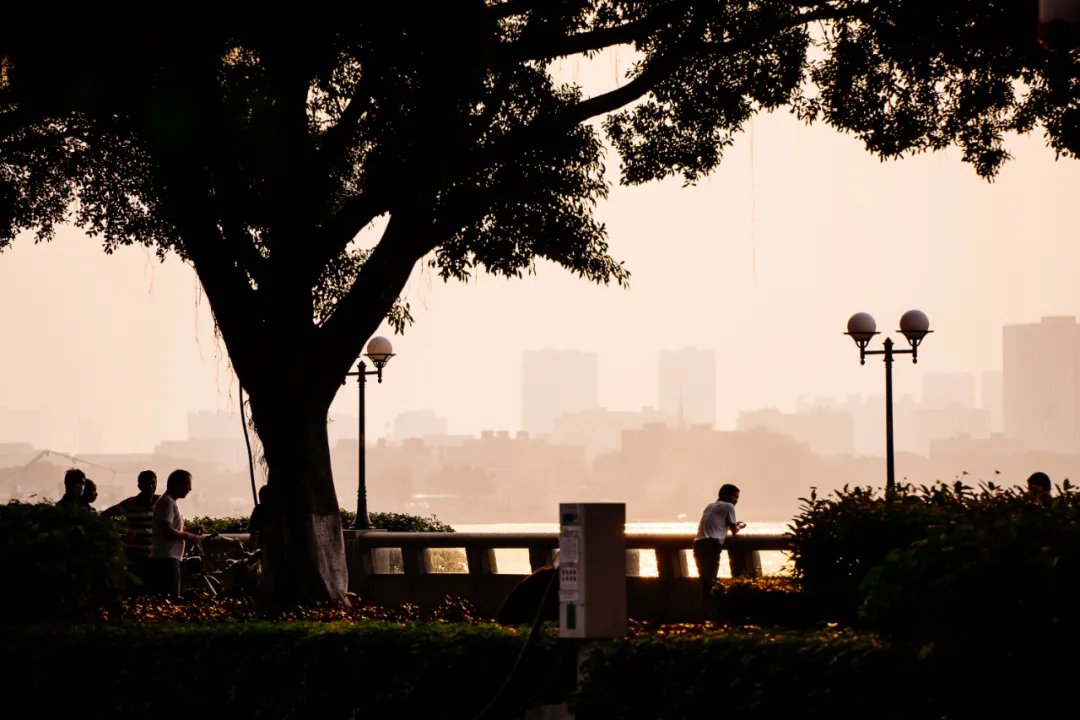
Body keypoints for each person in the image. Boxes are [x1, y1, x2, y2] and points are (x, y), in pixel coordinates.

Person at [102, 471, 160, 591]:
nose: (150, 486)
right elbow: (106, 515)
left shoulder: (161, 503)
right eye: (146, 483)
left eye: (153, 483)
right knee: (135, 591)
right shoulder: (130, 503)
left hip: (156, 557)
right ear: (139, 486)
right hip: (135, 557)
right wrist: (116, 533)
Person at [150, 469, 203, 598]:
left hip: (168, 557)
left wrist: (189, 531)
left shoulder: (168, 502)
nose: (189, 488)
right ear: (176, 484)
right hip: (166, 559)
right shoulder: (167, 502)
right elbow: (167, 532)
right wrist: (189, 536)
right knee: (170, 598)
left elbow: (171, 528)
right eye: (186, 484)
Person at [693, 484, 746, 614]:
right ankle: (709, 613)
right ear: (724, 494)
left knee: (704, 579)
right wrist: (741, 525)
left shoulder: (710, 506)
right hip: (712, 544)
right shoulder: (729, 506)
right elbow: (734, 530)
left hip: (698, 543)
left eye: (737, 497)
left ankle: (703, 611)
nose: (736, 500)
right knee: (711, 579)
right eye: (734, 496)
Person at [248, 485, 270, 551]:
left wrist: (251, 549)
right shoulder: (282, 510)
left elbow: (254, 532)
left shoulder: (259, 509)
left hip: (263, 548)